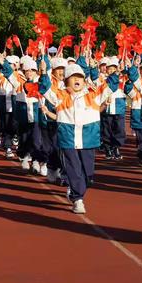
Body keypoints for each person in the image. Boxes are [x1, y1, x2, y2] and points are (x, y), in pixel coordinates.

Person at [38, 58, 118, 214]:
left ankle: (78, 189)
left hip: (88, 139)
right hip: (68, 139)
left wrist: (119, 70)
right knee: (74, 169)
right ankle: (77, 199)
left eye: (79, 77)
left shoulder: (93, 95)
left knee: (87, 174)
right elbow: (44, 87)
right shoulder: (60, 96)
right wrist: (42, 71)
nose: (77, 80)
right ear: (67, 81)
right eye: (73, 77)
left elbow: (112, 85)